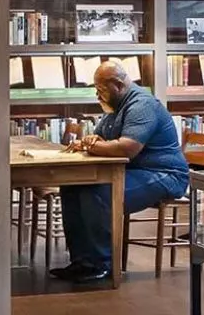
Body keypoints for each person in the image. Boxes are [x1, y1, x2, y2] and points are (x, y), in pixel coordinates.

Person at [54, 59, 190, 284]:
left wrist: (90, 146)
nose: (98, 95)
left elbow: (127, 147)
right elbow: (102, 138)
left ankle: (102, 263)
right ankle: (82, 260)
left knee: (97, 191)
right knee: (72, 186)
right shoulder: (115, 107)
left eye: (101, 90)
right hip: (135, 171)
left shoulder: (142, 105)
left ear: (117, 85)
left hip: (164, 174)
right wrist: (93, 140)